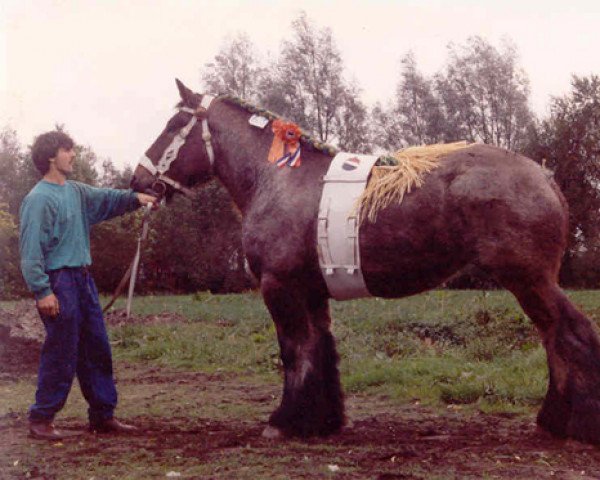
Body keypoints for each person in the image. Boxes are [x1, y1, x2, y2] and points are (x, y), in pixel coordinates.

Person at [19, 130, 157, 440]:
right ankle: (41, 419)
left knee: (97, 347)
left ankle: (102, 416)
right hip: (58, 280)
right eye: (68, 150)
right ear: (52, 156)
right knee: (61, 350)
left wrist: (138, 199)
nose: (74, 155)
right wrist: (43, 291)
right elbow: (29, 253)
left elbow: (109, 199)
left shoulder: (77, 192)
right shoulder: (37, 200)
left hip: (82, 278)